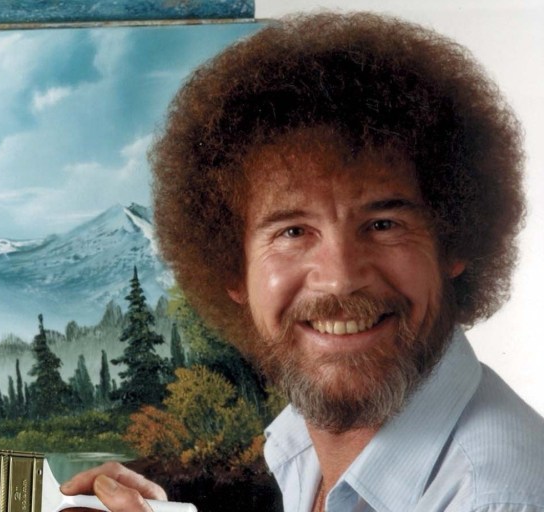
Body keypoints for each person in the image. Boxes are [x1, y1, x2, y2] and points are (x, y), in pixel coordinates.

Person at [61, 11, 544, 512]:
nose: (340, 278)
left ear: (455, 243)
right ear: (233, 270)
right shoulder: (303, 449)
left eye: (383, 224)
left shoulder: (498, 499)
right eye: (293, 232)